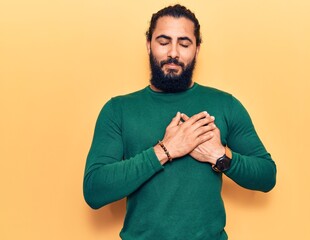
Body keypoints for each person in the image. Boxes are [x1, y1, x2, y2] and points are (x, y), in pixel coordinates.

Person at [83, 4, 276, 240]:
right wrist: (166, 150)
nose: (173, 53)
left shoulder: (226, 105)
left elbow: (267, 176)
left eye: (184, 44)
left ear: (196, 49)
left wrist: (219, 156)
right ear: (148, 44)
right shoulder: (117, 110)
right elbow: (94, 190)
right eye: (163, 42)